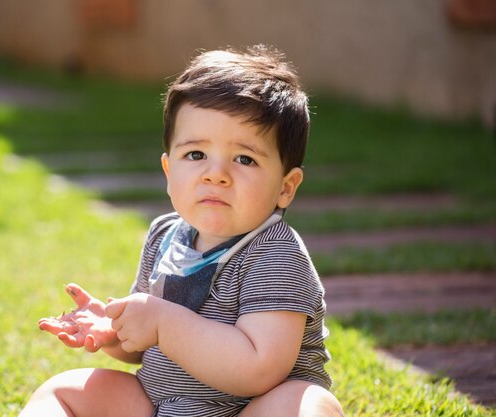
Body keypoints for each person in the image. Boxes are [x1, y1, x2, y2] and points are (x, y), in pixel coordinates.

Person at [19, 45, 344, 417]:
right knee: (63, 391)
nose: (215, 174)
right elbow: (143, 346)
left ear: (286, 187)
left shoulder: (276, 255)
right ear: (169, 171)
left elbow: (259, 369)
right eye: (195, 155)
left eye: (244, 159)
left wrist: (163, 322)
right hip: (159, 405)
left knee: (307, 404)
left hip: (246, 409)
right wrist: (116, 329)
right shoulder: (164, 235)